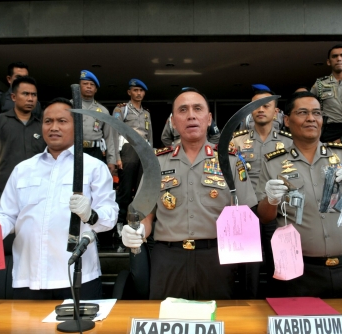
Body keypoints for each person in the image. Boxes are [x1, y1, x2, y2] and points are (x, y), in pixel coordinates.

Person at [0, 98, 118, 300]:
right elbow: (8, 214)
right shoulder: (23, 169)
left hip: (78, 277)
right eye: (48, 121)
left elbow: (110, 216)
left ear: (76, 127)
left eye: (62, 121)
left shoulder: (94, 167)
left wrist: (90, 214)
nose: (54, 127)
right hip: (29, 277)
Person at [121, 88, 257, 300]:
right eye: (183, 110)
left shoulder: (230, 161)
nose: (191, 115)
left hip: (216, 258)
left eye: (198, 109)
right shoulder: (157, 162)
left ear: (209, 118)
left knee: (219, 323)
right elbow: (147, 214)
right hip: (168, 258)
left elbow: (245, 215)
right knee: (166, 322)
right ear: (173, 121)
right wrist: (138, 232)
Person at [256, 91, 342, 298]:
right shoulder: (273, 163)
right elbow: (265, 216)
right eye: (303, 113)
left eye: (316, 113)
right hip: (300, 269)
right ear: (287, 121)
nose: (311, 118)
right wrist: (271, 199)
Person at [230, 85, 293, 297]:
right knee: (249, 266)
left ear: (276, 112)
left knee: (279, 262)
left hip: (276, 209)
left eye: (266, 106)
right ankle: (249, 307)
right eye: (255, 106)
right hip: (247, 210)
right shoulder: (237, 140)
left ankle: (281, 305)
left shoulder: (288, 141)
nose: (260, 110)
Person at [0, 76, 46, 192]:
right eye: (25, 94)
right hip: (4, 190)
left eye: (34, 95)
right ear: (13, 97)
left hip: (36, 192)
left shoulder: (42, 126)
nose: (30, 99)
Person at [112, 78, 153, 250]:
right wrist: (116, 157)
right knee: (125, 190)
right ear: (129, 92)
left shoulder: (146, 113)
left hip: (144, 151)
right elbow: (114, 131)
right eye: (135, 90)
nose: (138, 93)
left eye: (141, 91)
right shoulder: (122, 109)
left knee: (141, 191)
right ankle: (120, 225)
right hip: (128, 149)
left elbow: (149, 136)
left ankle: (137, 225)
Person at [76, 70, 117, 174]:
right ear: (79, 86)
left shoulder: (103, 111)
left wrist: (111, 160)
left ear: (96, 90)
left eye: (92, 84)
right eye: (85, 84)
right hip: (74, 150)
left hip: (95, 151)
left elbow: (109, 138)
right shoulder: (69, 106)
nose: (89, 86)